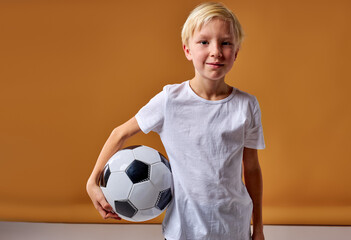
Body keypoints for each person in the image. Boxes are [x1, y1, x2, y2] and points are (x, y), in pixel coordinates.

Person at [86, 2, 265, 240]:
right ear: (187, 50)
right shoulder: (171, 100)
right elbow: (120, 134)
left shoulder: (247, 105)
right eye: (204, 42)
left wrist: (259, 227)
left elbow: (251, 168)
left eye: (226, 42)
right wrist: (92, 181)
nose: (216, 51)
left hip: (233, 227)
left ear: (236, 51)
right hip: (184, 229)